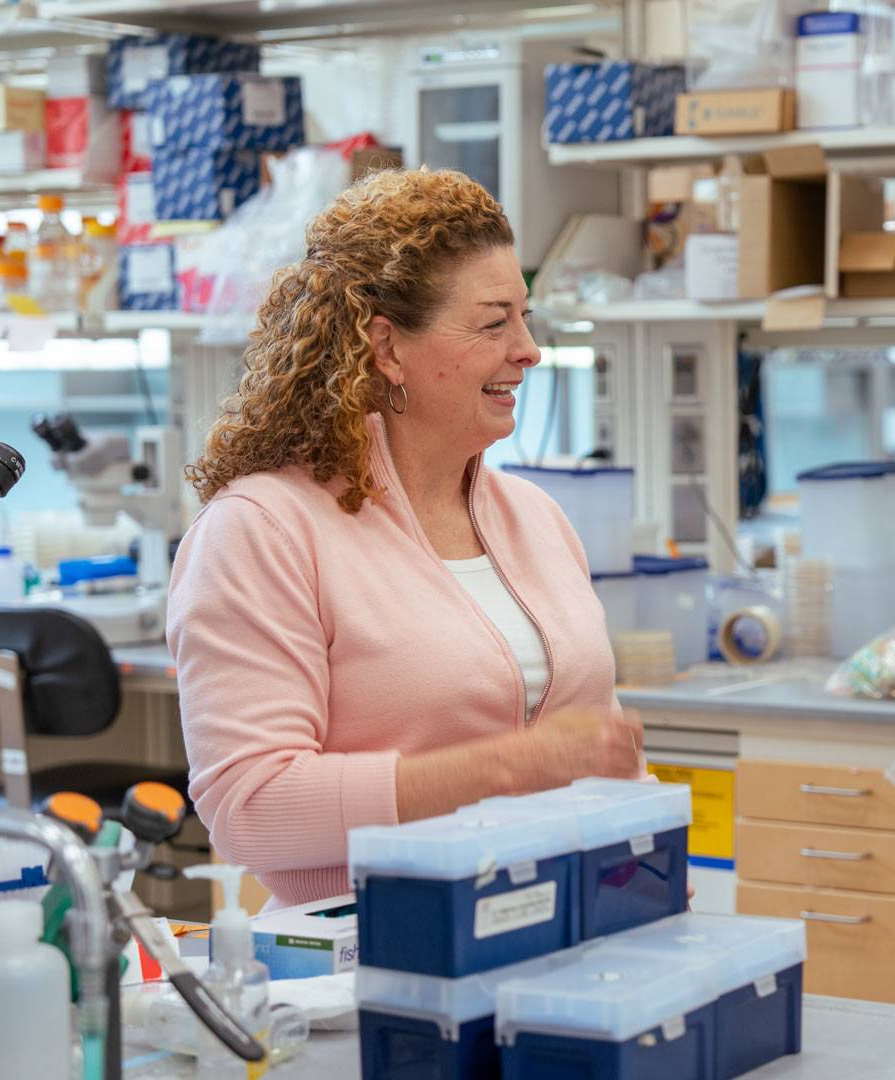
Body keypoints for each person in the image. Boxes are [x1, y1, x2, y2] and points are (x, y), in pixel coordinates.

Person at [169, 169, 640, 909]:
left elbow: (597, 754)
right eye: (493, 324)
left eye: (526, 317)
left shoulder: (537, 519)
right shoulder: (263, 530)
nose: (529, 350)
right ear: (387, 348)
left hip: (558, 930)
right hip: (369, 957)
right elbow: (251, 807)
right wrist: (507, 768)